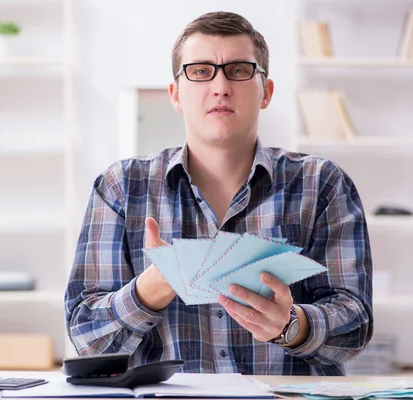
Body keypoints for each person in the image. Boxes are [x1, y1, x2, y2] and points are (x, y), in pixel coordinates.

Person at [64, 11, 373, 375]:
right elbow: (86, 334)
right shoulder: (120, 186)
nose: (221, 86)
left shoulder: (322, 183)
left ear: (266, 92)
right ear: (176, 93)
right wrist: (150, 289)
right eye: (200, 71)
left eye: (240, 70)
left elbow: (355, 323)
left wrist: (292, 326)